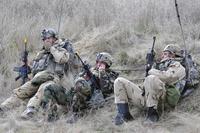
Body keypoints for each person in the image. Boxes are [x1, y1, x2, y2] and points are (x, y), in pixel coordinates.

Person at [0, 28, 76, 116]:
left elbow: (62, 59)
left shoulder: (61, 49)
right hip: (38, 78)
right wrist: (27, 69)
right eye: (44, 39)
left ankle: (31, 110)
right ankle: (4, 107)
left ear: (55, 38)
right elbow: (35, 70)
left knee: (43, 89)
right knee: (21, 91)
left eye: (48, 38)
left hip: (54, 79)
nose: (46, 41)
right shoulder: (42, 53)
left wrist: (52, 48)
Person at [28, 52, 119, 122]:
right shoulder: (90, 70)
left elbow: (106, 90)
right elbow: (76, 79)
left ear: (107, 64)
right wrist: (84, 72)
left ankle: (77, 114)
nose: (98, 64)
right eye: (97, 62)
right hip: (72, 96)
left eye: (101, 63)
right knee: (50, 88)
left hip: (89, 101)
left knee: (80, 84)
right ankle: (51, 116)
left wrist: (102, 73)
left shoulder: (110, 75)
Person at [113, 44, 186, 125]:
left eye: (165, 53)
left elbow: (168, 77)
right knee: (119, 81)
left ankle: (153, 115)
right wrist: (150, 64)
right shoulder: (158, 66)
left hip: (163, 101)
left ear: (173, 55)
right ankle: (124, 115)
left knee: (151, 78)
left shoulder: (178, 65)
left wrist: (151, 70)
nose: (162, 56)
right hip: (147, 98)